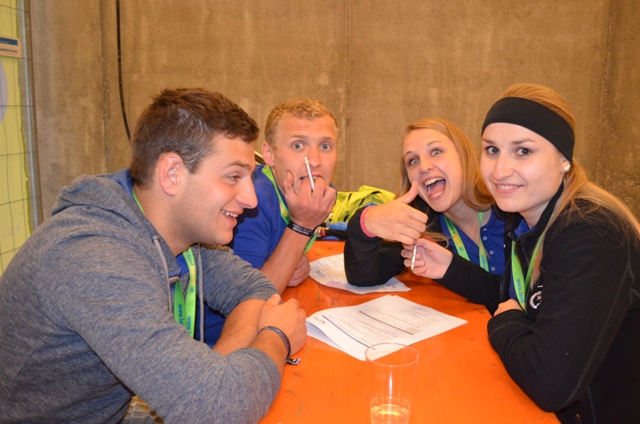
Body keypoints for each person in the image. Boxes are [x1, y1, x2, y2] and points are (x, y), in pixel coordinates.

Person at [0, 88, 307, 423]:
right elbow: (215, 410)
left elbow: (255, 290)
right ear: (172, 174)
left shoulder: (178, 232)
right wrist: (275, 337)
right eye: (234, 176)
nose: (251, 198)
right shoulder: (96, 258)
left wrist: (215, 377)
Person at [406, 84, 640, 423]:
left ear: (564, 159)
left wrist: (505, 323)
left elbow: (551, 382)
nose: (500, 170)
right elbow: (520, 300)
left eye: (523, 151)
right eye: (492, 150)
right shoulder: (527, 221)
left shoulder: (592, 233)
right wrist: (451, 269)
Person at [344, 118, 505, 287]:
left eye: (436, 152)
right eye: (413, 161)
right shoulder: (422, 222)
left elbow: (515, 297)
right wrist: (365, 222)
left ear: (464, 156)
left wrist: (452, 269)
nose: (423, 167)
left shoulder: (512, 212)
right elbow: (364, 276)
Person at [230, 98, 338, 292]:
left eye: (325, 146)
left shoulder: (318, 192)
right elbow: (246, 298)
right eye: (298, 146)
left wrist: (295, 260)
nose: (315, 161)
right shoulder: (250, 204)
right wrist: (302, 226)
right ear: (269, 154)